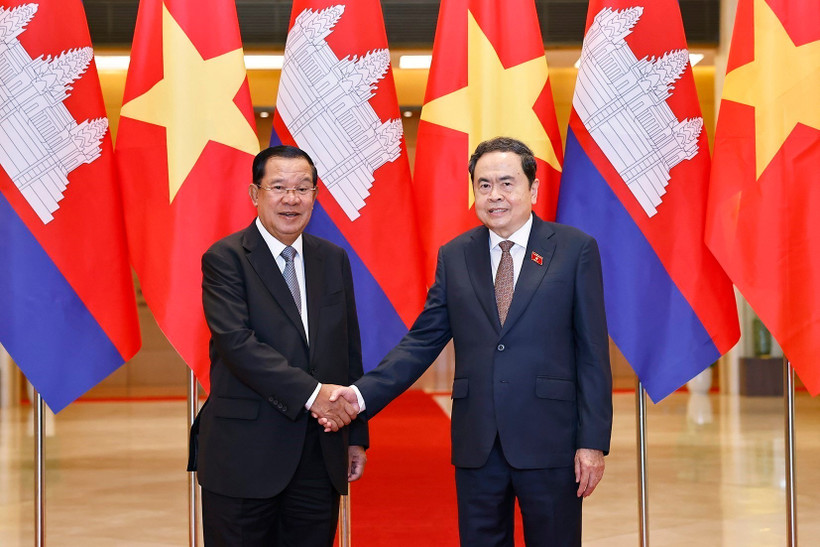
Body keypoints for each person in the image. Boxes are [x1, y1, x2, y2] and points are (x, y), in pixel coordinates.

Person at [328, 137, 612, 546]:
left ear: (533, 189)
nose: (494, 195)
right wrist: (359, 396)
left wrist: (591, 442)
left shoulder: (574, 249)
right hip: (477, 442)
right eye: (483, 185)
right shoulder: (456, 255)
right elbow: (421, 342)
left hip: (551, 440)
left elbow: (592, 353)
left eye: (507, 183)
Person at [188, 145, 368, 546]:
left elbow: (347, 349)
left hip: (319, 454)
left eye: (303, 188)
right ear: (255, 194)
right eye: (279, 187)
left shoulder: (332, 258)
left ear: (315, 197)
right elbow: (238, 345)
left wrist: (355, 435)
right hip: (244, 455)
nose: (292, 199)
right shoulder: (226, 258)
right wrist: (313, 394)